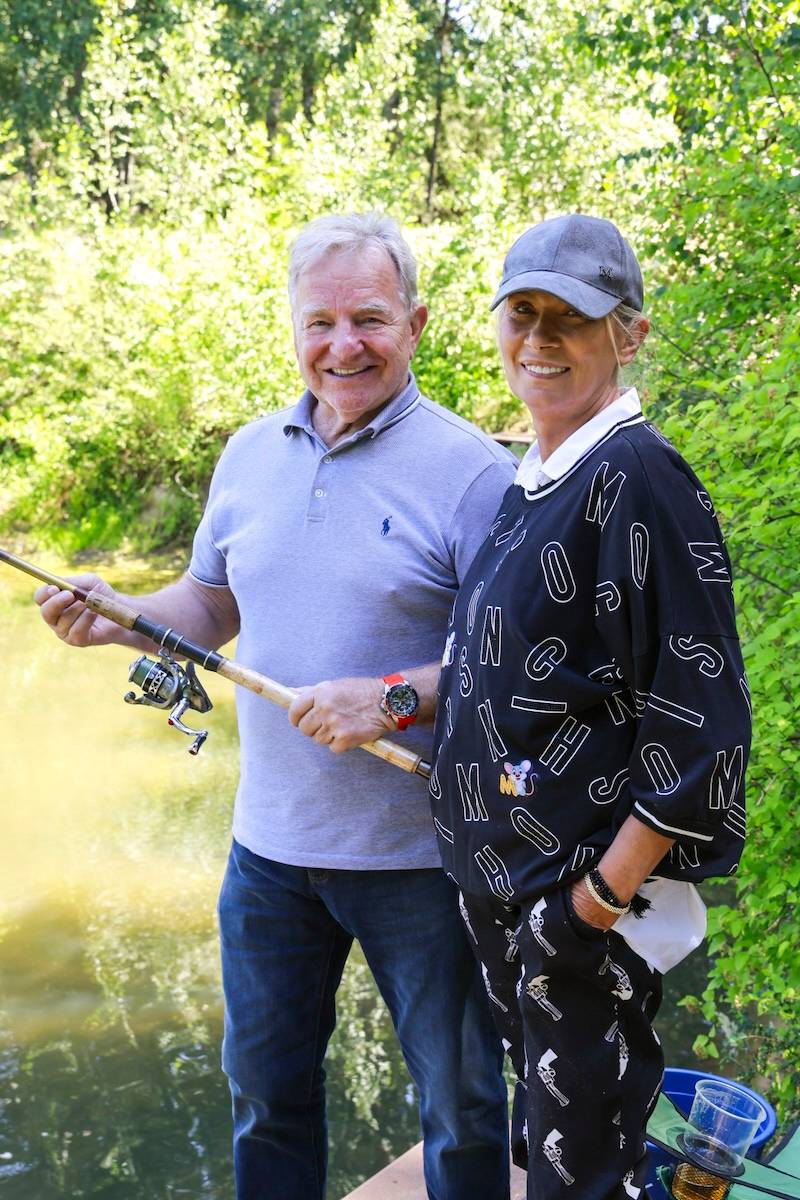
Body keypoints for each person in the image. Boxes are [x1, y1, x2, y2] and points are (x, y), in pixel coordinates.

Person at [34, 213, 517, 1200]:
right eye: (320, 320)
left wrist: (393, 698)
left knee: (463, 1109)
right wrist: (123, 617)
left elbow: (513, 671)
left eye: (369, 319)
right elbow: (208, 608)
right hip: (267, 860)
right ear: (292, 328)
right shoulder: (249, 455)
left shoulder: (474, 475)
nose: (343, 344)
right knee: (265, 1101)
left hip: (423, 865)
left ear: (416, 324)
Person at [424, 215, 752, 1200]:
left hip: (572, 914)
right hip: (505, 903)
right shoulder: (536, 475)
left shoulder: (637, 476)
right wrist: (398, 698)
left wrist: (588, 908)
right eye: (520, 314)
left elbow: (700, 727)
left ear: (629, 333)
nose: (537, 340)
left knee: (585, 1175)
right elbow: (518, 668)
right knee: (554, 1161)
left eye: (569, 319)